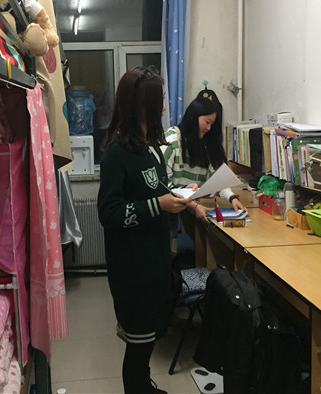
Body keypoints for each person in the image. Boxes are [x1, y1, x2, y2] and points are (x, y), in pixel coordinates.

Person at [98, 66, 190, 394]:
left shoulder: (151, 148)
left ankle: (144, 387)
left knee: (149, 337)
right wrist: (158, 205)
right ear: (141, 106)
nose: (164, 107)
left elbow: (154, 190)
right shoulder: (116, 153)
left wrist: (178, 195)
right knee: (137, 344)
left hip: (155, 260)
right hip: (132, 266)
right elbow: (109, 213)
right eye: (159, 100)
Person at [162, 88, 247, 223]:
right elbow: (163, 186)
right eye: (207, 122)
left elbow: (216, 180)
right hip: (166, 213)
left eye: (212, 124)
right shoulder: (171, 140)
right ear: (193, 117)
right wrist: (194, 206)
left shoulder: (205, 145)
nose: (209, 128)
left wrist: (232, 197)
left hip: (185, 211)